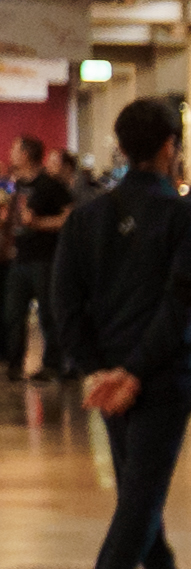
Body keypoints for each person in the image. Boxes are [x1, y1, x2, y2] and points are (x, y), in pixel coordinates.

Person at [60, 98, 191, 569]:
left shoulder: (84, 219)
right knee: (142, 497)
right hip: (165, 375)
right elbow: (181, 303)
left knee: (137, 490)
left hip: (114, 380)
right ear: (170, 147)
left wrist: (100, 369)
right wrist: (134, 371)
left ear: (123, 148)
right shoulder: (186, 216)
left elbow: (65, 305)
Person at [3, 135, 73, 386]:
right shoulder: (13, 185)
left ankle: (53, 364)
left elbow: (69, 217)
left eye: (14, 148)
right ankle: (14, 364)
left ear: (26, 154)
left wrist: (40, 223)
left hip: (44, 259)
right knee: (13, 313)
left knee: (47, 313)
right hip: (19, 257)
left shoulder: (49, 185)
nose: (10, 153)